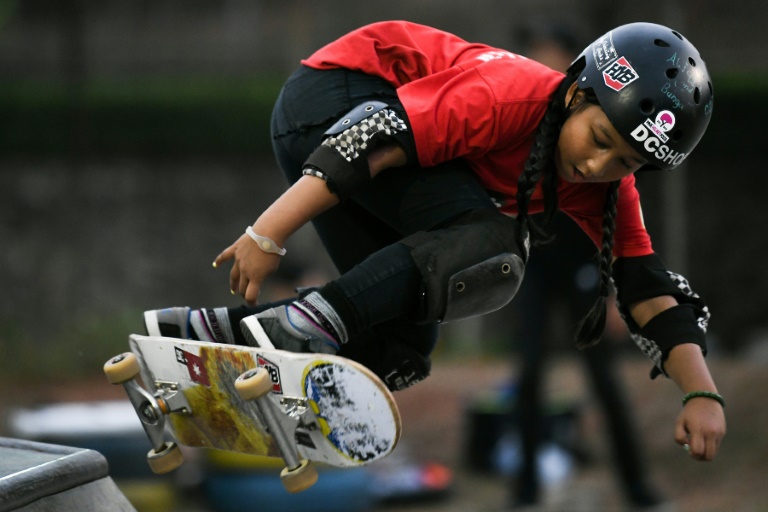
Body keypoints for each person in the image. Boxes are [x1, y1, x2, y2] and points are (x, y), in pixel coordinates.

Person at [144, 21, 726, 462]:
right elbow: (372, 139)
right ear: (576, 94)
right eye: (598, 138)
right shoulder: (510, 94)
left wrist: (701, 395)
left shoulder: (609, 190)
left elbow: (648, 291)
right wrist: (267, 233)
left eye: (624, 161)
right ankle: (302, 324)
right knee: (494, 250)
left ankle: (201, 334)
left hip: (363, 147)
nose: (597, 166)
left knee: (403, 344)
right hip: (334, 104)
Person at [507, 25, 668, 509]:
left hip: (585, 269)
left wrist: (615, 290)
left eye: (551, 60)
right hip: (532, 266)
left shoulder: (603, 124)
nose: (543, 71)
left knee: (604, 380)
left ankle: (638, 488)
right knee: (528, 375)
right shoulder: (523, 119)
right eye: (536, 60)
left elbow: (623, 218)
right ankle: (525, 490)